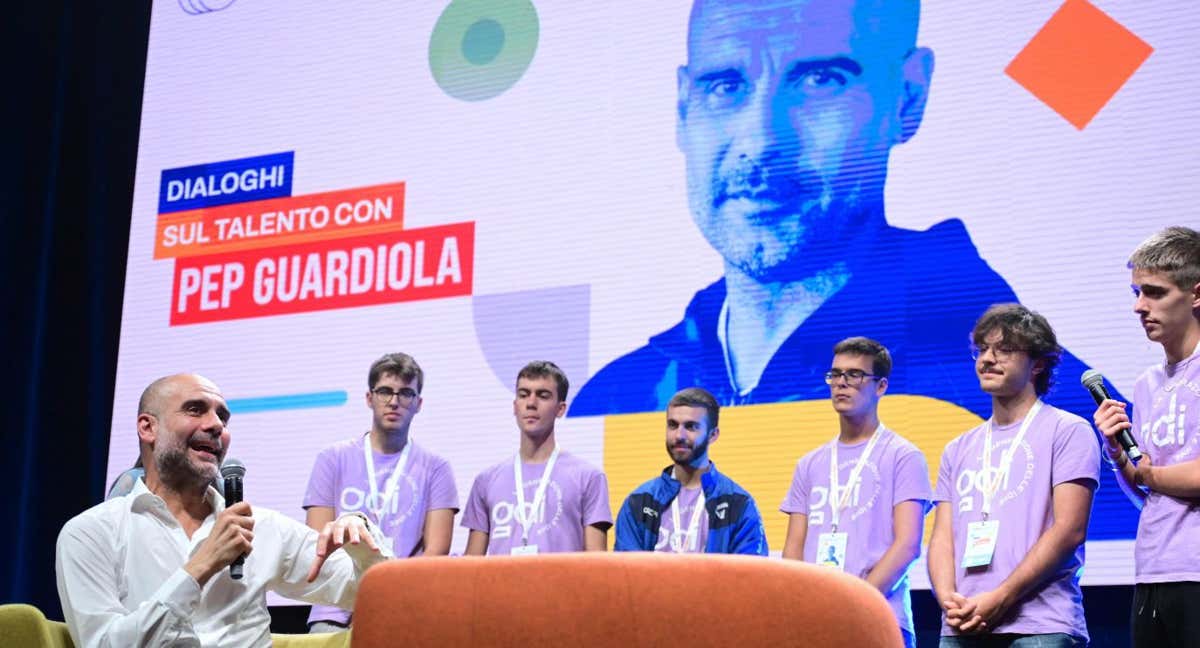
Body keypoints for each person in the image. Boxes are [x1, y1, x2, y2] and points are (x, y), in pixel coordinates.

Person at [569, 0, 1114, 445]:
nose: (760, 142)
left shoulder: (1028, 396)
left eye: (820, 81)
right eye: (724, 87)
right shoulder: (615, 400)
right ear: (684, 107)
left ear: (908, 95)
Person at [56, 374, 390, 648]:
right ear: (148, 428)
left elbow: (375, 596)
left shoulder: (262, 526)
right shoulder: (90, 533)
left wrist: (359, 541)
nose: (216, 425)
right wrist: (200, 567)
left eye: (223, 417)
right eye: (195, 409)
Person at [927, 306, 1099, 646]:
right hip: (962, 622)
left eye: (1004, 350)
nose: (987, 359)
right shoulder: (958, 447)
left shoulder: (1067, 431)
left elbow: (1069, 530)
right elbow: (942, 538)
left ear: (1037, 363)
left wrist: (1003, 595)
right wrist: (949, 600)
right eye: (982, 350)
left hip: (1040, 623)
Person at [780, 337, 931, 647]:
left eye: (854, 375)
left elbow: (907, 545)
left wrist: (855, 604)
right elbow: (793, 551)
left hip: (878, 618)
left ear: (880, 386)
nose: (841, 384)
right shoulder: (810, 464)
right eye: (835, 375)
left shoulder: (903, 455)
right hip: (814, 623)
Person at [1092, 226, 1200, 648]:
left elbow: (1161, 478)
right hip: (1153, 569)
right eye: (1136, 293)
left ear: (1195, 295)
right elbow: (1146, 493)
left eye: (1154, 292)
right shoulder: (1146, 384)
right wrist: (1119, 455)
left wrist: (1151, 476)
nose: (1140, 306)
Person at [302, 353, 458, 632]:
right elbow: (318, 540)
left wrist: (386, 591)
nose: (394, 401)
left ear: (418, 404)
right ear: (369, 398)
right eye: (385, 391)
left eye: (406, 393)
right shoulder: (332, 459)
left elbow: (436, 551)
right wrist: (359, 588)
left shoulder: (436, 467)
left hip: (405, 604)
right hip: (335, 607)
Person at [461, 361, 612, 555]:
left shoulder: (589, 478)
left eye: (543, 395)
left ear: (560, 409)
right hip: (502, 586)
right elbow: (472, 565)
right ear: (515, 406)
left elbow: (596, 563)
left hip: (563, 586)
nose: (531, 403)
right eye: (523, 395)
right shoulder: (486, 480)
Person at [614, 387, 768, 554]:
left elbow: (750, 576)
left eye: (691, 427)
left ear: (713, 435)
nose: (679, 435)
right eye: (672, 425)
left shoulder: (738, 503)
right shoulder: (639, 502)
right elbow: (626, 575)